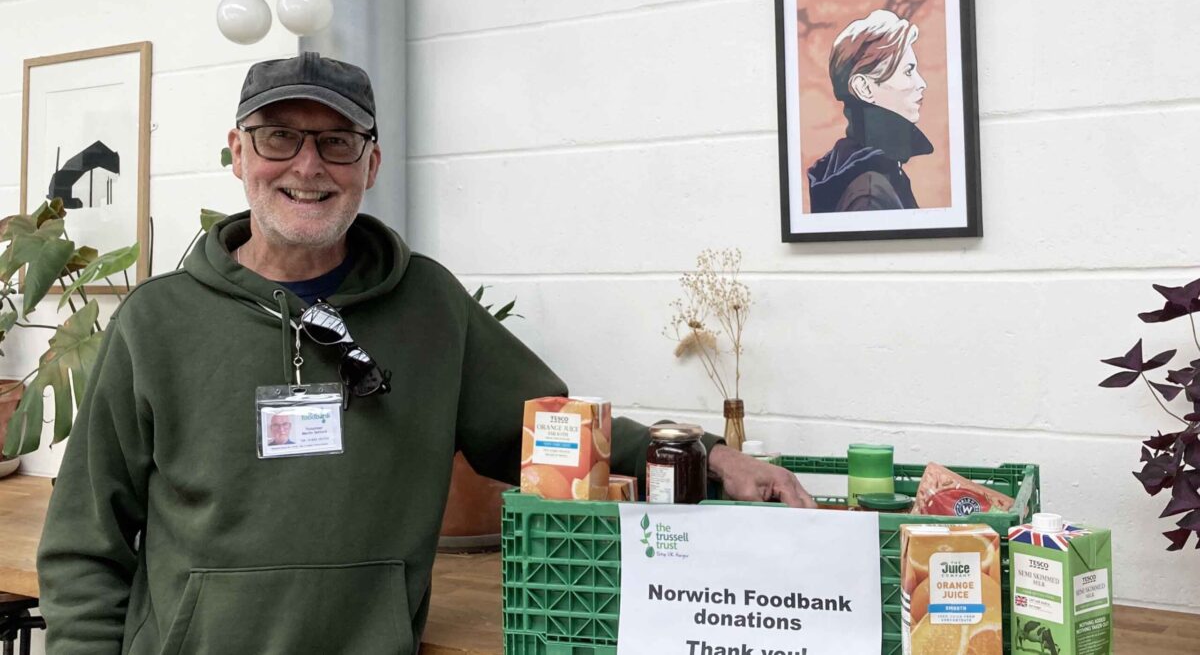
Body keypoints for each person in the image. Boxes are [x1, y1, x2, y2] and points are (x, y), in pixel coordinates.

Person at [36, 52, 817, 654]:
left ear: (370, 165)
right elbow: (83, 545)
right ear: (238, 153)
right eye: (279, 137)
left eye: (337, 142)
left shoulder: (432, 308)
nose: (308, 166)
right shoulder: (156, 324)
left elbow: (554, 437)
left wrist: (708, 457)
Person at [807, 9, 933, 213]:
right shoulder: (870, 190)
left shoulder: (857, 169)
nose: (922, 83)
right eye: (908, 71)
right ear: (863, 88)